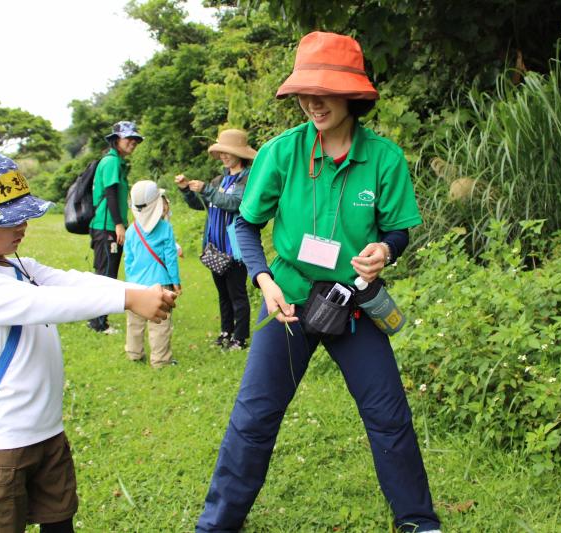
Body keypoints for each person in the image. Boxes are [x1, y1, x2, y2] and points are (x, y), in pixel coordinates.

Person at [195, 32, 442, 532]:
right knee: (254, 418)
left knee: (388, 416)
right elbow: (245, 224)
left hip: (353, 302)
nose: (311, 101)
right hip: (285, 297)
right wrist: (263, 279)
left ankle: (419, 522)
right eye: (304, 91)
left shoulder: (384, 158)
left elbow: (397, 228)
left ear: (352, 93)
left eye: (323, 90)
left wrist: (385, 250)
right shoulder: (281, 153)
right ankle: (216, 525)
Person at [0, 149, 176, 533]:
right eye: (6, 220)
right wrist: (128, 299)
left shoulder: (14, 264)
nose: (22, 225)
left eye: (23, 214)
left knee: (59, 521)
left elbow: (69, 280)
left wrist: (138, 288)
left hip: (46, 431)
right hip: (0, 444)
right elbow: (46, 302)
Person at [174, 128, 257, 350]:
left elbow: (234, 204)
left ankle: (240, 338)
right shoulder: (219, 179)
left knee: (237, 295)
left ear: (240, 153)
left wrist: (207, 190)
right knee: (222, 293)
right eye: (221, 152)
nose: (223, 156)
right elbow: (200, 205)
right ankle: (225, 332)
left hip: (234, 250)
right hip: (214, 248)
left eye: (228, 152)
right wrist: (187, 191)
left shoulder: (247, 179)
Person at [87, 120, 143, 333]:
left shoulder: (115, 161)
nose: (132, 143)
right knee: (106, 274)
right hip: (107, 226)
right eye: (128, 138)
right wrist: (119, 224)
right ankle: (98, 323)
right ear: (115, 140)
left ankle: (98, 319)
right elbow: (110, 194)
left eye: (135, 140)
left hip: (109, 225)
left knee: (106, 272)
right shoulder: (111, 162)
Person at [124, 180, 181, 367]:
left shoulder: (131, 230)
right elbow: (170, 258)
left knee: (135, 322)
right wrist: (175, 281)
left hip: (135, 285)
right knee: (160, 323)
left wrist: (130, 281)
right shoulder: (166, 229)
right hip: (161, 284)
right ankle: (160, 360)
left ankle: (134, 353)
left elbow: (129, 260)